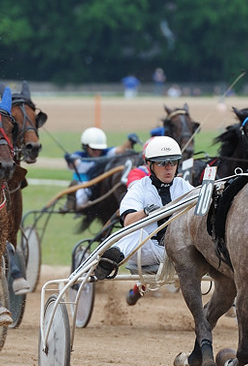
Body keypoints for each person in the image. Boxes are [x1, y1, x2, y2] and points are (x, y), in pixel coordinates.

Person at [93, 136, 194, 305]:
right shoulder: (139, 188)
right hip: (148, 250)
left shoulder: (183, 186)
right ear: (150, 165)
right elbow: (128, 222)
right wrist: (146, 212)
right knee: (136, 233)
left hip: (179, 252)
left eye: (173, 162)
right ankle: (110, 260)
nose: (169, 168)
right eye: (162, 163)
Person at [65, 127, 140, 209]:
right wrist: (69, 160)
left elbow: (120, 150)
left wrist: (130, 140)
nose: (97, 152)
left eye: (100, 149)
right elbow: (73, 164)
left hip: (98, 185)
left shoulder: (106, 153)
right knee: (81, 202)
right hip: (82, 185)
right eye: (94, 149)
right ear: (85, 146)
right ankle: (72, 198)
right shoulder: (78, 156)